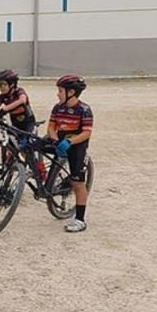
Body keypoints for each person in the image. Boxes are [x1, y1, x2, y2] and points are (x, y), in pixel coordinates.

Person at [48, 75, 93, 233]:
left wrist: (70, 142)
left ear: (71, 92)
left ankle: (80, 219)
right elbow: (51, 127)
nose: (58, 94)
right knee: (33, 144)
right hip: (59, 139)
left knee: (78, 182)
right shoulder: (57, 107)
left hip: (76, 145)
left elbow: (86, 133)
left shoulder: (84, 110)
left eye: (60, 91)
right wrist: (54, 140)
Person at [0, 70, 35, 134]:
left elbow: (22, 100)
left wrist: (5, 109)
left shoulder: (18, 91)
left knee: (28, 141)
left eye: (4, 84)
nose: (2, 87)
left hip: (28, 123)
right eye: (0, 85)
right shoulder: (2, 96)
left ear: (12, 84)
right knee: (11, 139)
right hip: (15, 123)